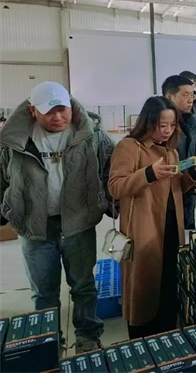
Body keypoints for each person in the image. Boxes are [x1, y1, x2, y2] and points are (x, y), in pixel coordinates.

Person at [0, 82, 113, 353]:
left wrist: (108, 202)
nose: (58, 117)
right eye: (49, 112)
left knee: (83, 285)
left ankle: (87, 337)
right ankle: (49, 341)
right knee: (44, 292)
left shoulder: (92, 134)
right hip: (35, 226)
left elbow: (109, 169)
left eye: (62, 109)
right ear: (33, 110)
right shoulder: (14, 139)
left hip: (78, 222)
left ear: (71, 105)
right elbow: (2, 177)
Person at [109, 97, 196, 338]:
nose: (167, 131)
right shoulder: (130, 147)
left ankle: (166, 336)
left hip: (171, 227)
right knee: (143, 288)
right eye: (162, 125)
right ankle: (142, 339)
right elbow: (116, 187)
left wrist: (192, 172)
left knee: (168, 284)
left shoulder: (171, 152)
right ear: (148, 121)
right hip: (144, 229)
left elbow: (176, 187)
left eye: (172, 125)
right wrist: (148, 174)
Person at [163, 75, 196, 229]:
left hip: (188, 194)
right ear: (169, 97)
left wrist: (195, 175)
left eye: (192, 95)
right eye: (185, 95)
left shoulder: (193, 124)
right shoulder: (160, 129)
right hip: (167, 198)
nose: (190, 100)